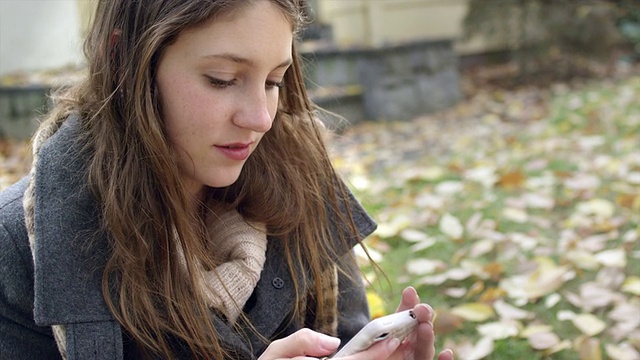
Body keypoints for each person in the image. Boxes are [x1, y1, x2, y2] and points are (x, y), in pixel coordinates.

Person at [0, 1, 455, 359]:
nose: (259, 118)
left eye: (274, 81)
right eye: (222, 79)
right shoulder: (20, 249)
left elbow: (348, 334)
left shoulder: (305, 187)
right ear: (125, 58)